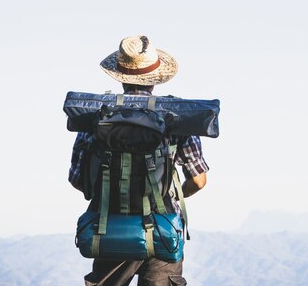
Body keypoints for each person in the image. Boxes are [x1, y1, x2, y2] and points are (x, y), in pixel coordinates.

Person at [68, 35, 209, 286]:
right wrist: (171, 197)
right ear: (155, 78)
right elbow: (198, 180)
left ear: (120, 76)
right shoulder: (175, 118)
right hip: (163, 229)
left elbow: (77, 179)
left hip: (108, 228)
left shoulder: (95, 118)